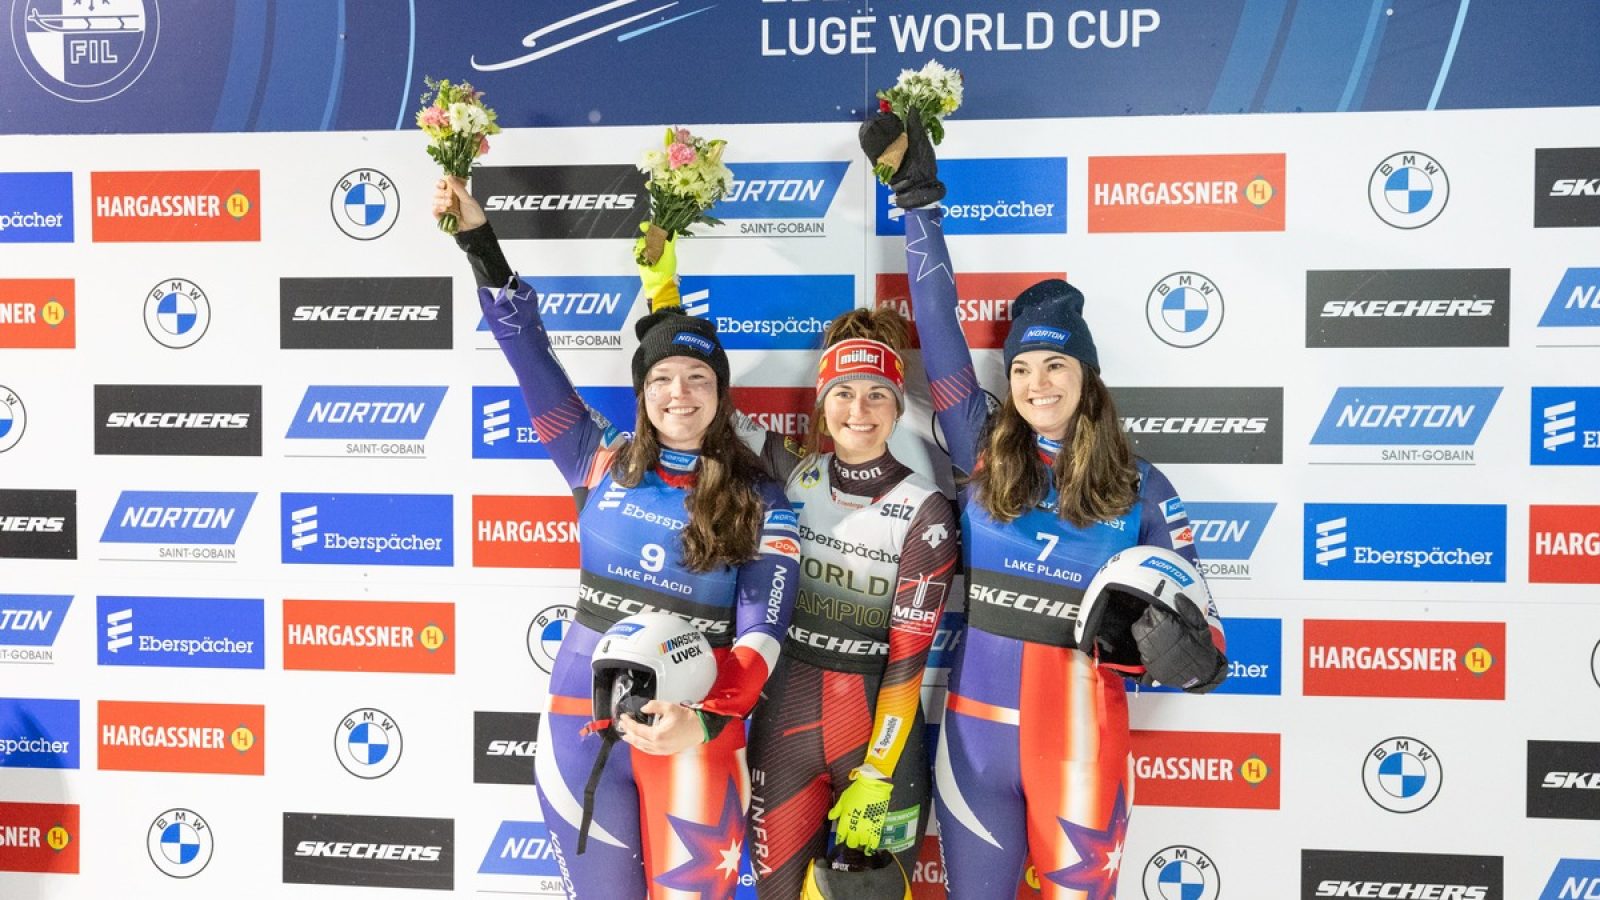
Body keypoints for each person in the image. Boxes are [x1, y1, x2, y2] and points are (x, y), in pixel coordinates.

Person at [861, 112, 1229, 898]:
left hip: (1083, 750)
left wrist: (1180, 648)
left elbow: (1208, 642)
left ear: (1086, 376)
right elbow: (939, 328)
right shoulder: (982, 450)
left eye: (1056, 364)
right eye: (1023, 367)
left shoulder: (1141, 488)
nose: (1037, 384)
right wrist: (919, 203)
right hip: (974, 743)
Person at [434, 177, 800, 900]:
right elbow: (527, 356)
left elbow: (763, 637)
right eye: (663, 378)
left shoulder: (763, 498)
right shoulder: (594, 456)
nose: (679, 393)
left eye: (698, 377)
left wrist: (702, 718)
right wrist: (479, 244)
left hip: (696, 731)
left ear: (721, 395)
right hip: (580, 722)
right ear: (642, 392)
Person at [634, 230, 959, 899]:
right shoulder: (792, 472)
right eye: (843, 393)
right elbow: (698, 398)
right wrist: (661, 292)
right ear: (822, 401)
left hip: (877, 740)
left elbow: (907, 657)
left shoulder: (924, 509)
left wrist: (878, 766)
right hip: (785, 723)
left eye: (876, 395)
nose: (858, 410)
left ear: (898, 407)